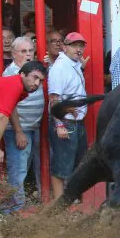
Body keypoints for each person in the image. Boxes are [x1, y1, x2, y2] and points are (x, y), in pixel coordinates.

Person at [0, 61, 46, 185]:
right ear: (23, 74)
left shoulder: (18, 86)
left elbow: (10, 108)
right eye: (35, 77)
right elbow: (2, 116)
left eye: (40, 81)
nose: (36, 83)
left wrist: (18, 131)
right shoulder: (15, 85)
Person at [2, 37, 45, 212]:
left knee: (23, 169)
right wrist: (18, 131)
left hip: (33, 128)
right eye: (23, 51)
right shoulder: (11, 73)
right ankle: (13, 210)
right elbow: (10, 106)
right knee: (18, 171)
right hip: (18, 130)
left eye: (30, 51)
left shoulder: (35, 69)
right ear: (13, 54)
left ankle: (15, 207)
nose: (28, 55)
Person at [48, 32, 90, 199]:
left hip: (76, 122)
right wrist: (59, 125)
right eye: (74, 45)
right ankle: (59, 209)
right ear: (64, 47)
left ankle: (69, 204)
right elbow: (54, 99)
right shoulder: (59, 67)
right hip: (66, 122)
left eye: (81, 46)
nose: (78, 49)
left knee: (76, 166)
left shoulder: (72, 63)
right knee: (61, 169)